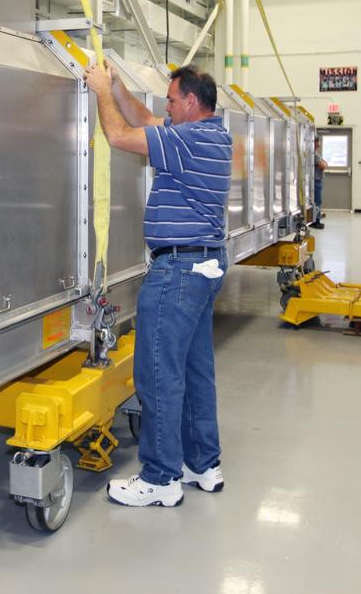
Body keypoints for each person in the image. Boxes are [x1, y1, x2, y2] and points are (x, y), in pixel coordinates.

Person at [83, 60, 232, 509]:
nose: (165, 108)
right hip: (202, 268)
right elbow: (147, 122)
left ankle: (161, 477)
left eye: (171, 99)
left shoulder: (188, 141)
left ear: (190, 101)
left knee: (158, 374)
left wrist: (100, 93)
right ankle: (202, 466)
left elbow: (120, 136)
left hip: (178, 274)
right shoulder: (211, 136)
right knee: (193, 371)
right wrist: (119, 87)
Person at [310, 135, 327, 229]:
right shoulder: (314, 154)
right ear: (315, 142)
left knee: (316, 201)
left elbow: (325, 163)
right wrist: (323, 164)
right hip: (316, 181)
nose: (319, 143)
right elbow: (323, 166)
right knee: (317, 201)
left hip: (317, 180)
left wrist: (324, 163)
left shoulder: (316, 153)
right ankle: (316, 221)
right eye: (318, 141)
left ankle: (314, 219)